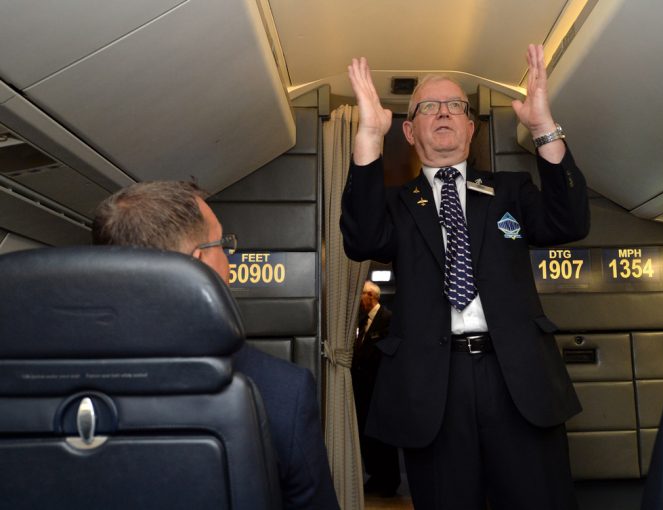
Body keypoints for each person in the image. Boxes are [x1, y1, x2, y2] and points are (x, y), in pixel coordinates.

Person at [340, 45, 589, 510]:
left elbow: (569, 223)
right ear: (410, 131)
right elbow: (360, 237)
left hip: (516, 377)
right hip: (434, 387)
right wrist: (370, 137)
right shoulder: (395, 203)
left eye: (455, 105)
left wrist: (542, 128)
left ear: (470, 128)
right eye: (428, 106)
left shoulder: (510, 191)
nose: (444, 113)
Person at [92, 180, 340, 510]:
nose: (228, 258)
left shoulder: (37, 379)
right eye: (221, 244)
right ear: (198, 264)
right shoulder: (280, 393)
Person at [351, 280, 400, 497]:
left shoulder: (389, 319)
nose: (360, 300)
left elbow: (386, 353)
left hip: (380, 388)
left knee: (384, 437)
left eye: (362, 295)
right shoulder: (362, 322)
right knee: (367, 435)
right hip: (363, 390)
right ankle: (376, 475)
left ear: (372, 296)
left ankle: (390, 480)